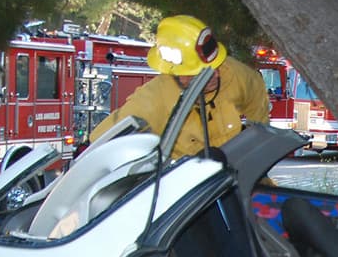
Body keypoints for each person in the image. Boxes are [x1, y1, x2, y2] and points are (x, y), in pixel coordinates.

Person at [88, 15, 270, 159]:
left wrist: (258, 153)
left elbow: (258, 110)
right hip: (189, 185)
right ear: (179, 73)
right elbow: (104, 139)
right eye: (202, 72)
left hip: (236, 177)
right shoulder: (155, 97)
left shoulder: (236, 74)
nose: (215, 74)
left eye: (215, 66)